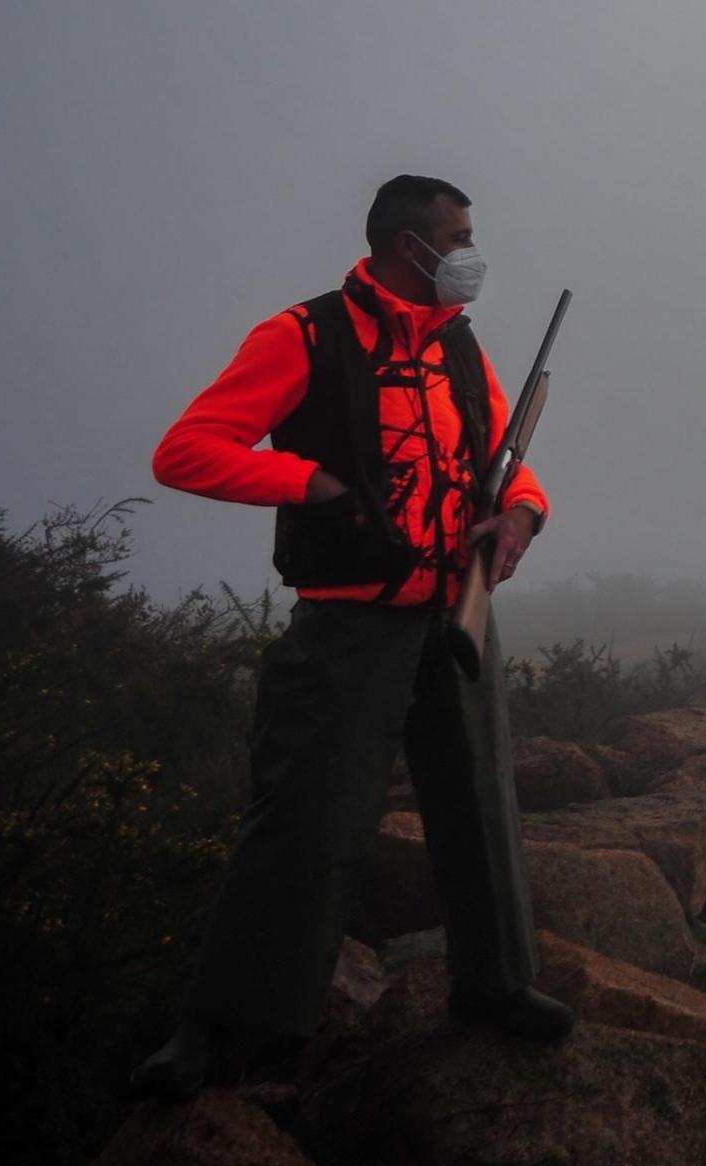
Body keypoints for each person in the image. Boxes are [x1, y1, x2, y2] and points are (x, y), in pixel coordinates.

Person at [130, 174, 573, 1102]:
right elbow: (185, 450)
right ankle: (229, 1036)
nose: (470, 254)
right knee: (305, 822)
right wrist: (313, 484)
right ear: (405, 246)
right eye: (457, 238)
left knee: (481, 806)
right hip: (347, 622)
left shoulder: (461, 346)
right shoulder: (304, 335)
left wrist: (521, 521)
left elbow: (510, 468)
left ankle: (495, 985)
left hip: (457, 613)